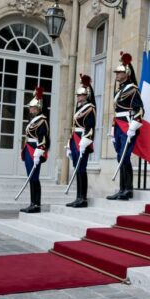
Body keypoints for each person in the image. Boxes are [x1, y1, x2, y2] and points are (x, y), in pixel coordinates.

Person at [108, 52, 144, 200]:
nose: (117, 74)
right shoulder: (118, 90)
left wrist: (133, 127)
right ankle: (122, 188)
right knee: (119, 157)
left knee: (125, 156)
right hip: (118, 125)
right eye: (116, 72)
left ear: (127, 73)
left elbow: (140, 110)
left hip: (128, 126)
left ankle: (128, 189)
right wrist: (112, 129)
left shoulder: (133, 90)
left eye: (120, 72)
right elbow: (116, 111)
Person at [66, 74, 95, 208]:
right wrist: (69, 143)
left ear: (86, 95)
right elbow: (74, 126)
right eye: (77, 95)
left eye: (80, 95)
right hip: (75, 139)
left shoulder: (89, 108)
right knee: (77, 169)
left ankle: (83, 198)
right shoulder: (79, 108)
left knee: (81, 169)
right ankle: (78, 196)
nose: (78, 97)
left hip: (82, 140)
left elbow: (90, 126)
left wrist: (86, 140)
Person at [20, 87, 49, 213]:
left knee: (34, 177)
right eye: (30, 107)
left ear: (38, 108)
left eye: (32, 108)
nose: (30, 109)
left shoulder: (42, 120)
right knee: (31, 177)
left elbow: (43, 137)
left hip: (35, 150)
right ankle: (32, 202)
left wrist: (40, 151)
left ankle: (36, 204)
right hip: (29, 149)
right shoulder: (32, 120)